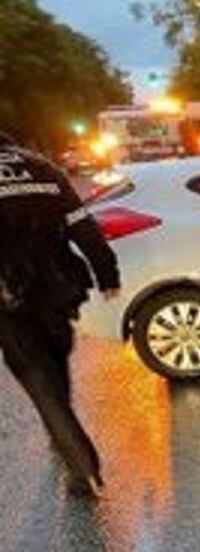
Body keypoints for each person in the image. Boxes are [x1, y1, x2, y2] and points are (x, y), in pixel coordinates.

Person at [0, 131, 120, 495]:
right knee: (54, 363)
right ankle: (63, 440)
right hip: (60, 287)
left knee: (38, 378)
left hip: (10, 295)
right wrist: (106, 272)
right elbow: (82, 225)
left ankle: (82, 463)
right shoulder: (43, 168)